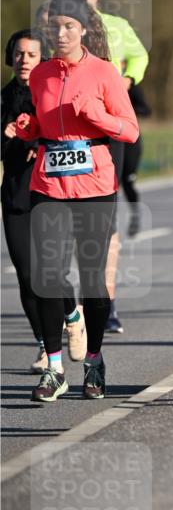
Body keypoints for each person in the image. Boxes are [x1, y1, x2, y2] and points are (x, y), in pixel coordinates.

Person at [16, 0, 138, 402]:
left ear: (84, 28)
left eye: (69, 26)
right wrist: (30, 126)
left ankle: (94, 362)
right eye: (55, 26)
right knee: (47, 276)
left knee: (92, 283)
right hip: (48, 185)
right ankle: (54, 368)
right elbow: (43, 122)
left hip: (95, 187)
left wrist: (96, 115)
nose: (61, 32)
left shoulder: (105, 73)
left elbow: (130, 130)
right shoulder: (40, 75)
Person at [64, 0, 149, 333]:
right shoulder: (59, 30)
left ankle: (105, 301)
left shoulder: (116, 25)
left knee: (104, 221)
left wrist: (125, 80)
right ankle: (70, 305)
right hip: (68, 134)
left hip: (107, 125)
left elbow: (139, 56)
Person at [2, 28, 86, 372]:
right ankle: (43, 345)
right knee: (26, 274)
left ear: (44, 59)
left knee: (49, 272)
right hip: (16, 195)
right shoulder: (3, 98)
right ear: (11, 57)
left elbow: (73, 136)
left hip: (52, 193)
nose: (25, 60)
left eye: (32, 54)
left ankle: (72, 314)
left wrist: (42, 146)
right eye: (19, 54)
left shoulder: (52, 92)